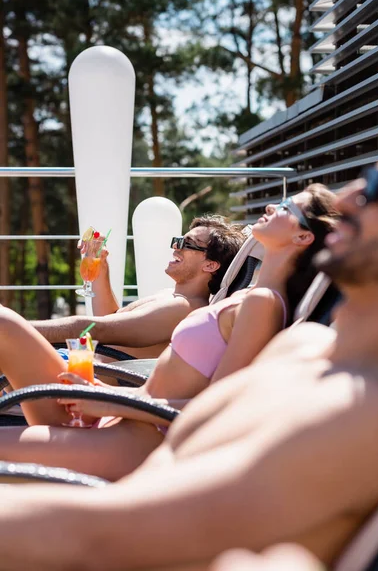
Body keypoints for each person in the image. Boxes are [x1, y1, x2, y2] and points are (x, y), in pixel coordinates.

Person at [0, 146, 378, 571]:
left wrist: (109, 401)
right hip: (123, 440)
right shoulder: (302, 347)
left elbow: (113, 535)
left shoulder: (362, 410)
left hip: (118, 484)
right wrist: (105, 397)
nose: (343, 199)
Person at [0, 184, 337, 481]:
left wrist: (109, 401)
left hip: (137, 442)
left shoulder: (262, 304)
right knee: (6, 326)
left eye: (285, 208)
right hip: (116, 415)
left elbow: (219, 409)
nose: (269, 208)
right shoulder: (246, 297)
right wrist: (102, 394)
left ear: (302, 237)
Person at [32, 215, 246, 359]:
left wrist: (17, 328)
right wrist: (101, 266)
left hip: (84, 378)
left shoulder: (184, 308)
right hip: (80, 364)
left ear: (210, 264)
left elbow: (97, 329)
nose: (175, 247)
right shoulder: (170, 295)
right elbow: (111, 319)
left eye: (186, 243)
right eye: (177, 240)